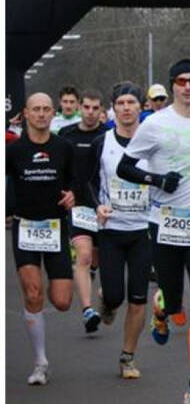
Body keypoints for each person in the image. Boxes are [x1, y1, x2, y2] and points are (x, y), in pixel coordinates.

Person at [118, 58, 190, 404]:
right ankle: (163, 306)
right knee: (173, 296)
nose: (187, 86)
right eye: (180, 81)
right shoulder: (155, 124)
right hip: (165, 220)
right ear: (172, 86)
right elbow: (126, 167)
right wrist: (157, 180)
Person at [7, 92, 76, 385]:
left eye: (47, 109)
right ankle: (40, 361)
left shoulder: (64, 147)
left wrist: (74, 195)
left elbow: (75, 183)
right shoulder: (13, 150)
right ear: (25, 114)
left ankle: (44, 303)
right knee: (33, 293)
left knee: (61, 301)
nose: (42, 114)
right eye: (36, 109)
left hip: (55, 228)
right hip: (25, 228)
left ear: (53, 113)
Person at [89, 83, 152, 378]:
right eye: (121, 103)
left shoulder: (153, 142)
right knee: (115, 295)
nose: (126, 108)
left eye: (132, 103)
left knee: (139, 298)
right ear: (113, 109)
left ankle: (128, 357)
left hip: (143, 230)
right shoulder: (102, 143)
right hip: (111, 229)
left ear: (141, 107)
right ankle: (108, 302)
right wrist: (95, 206)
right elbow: (86, 181)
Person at [59, 90, 107, 332]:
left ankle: (93, 274)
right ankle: (88, 310)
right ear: (80, 108)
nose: (90, 112)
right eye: (86, 107)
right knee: (84, 256)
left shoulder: (107, 135)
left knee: (96, 259)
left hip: (102, 206)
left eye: (95, 108)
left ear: (101, 110)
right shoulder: (67, 135)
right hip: (77, 206)